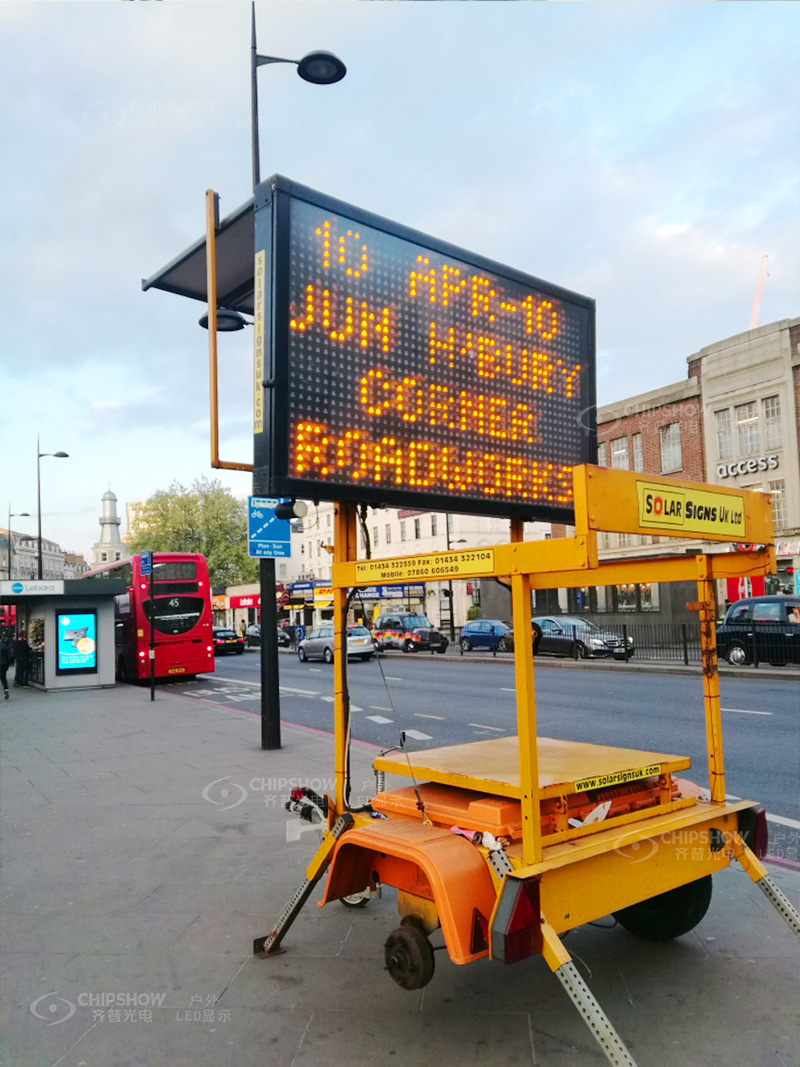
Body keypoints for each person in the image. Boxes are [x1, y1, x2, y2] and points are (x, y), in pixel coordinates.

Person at [0, 635, 13, 699]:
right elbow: (8, 657)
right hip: (3, 663)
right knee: (3, 677)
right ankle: (6, 689)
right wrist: (8, 665)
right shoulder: (5, 646)